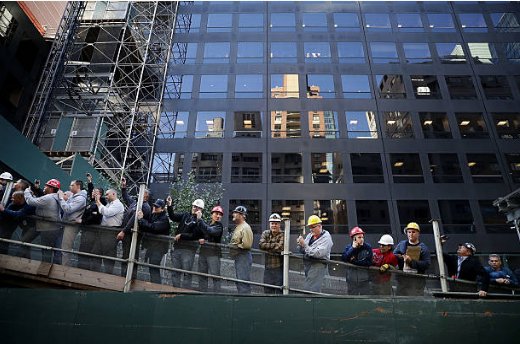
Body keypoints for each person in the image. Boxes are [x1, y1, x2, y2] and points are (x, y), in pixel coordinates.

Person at [116, 178, 152, 278]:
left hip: (133, 235)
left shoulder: (145, 206)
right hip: (128, 235)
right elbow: (126, 197)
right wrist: (124, 187)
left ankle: (130, 277)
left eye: (141, 193)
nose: (138, 194)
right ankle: (123, 276)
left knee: (130, 257)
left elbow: (134, 219)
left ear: (146, 196)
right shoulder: (135, 203)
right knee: (125, 255)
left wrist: (123, 231)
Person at [167, 196, 205, 289]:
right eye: (194, 206)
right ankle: (175, 290)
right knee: (175, 272)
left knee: (186, 273)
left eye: (197, 208)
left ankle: (184, 292)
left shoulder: (200, 222)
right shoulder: (185, 215)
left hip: (189, 250)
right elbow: (173, 216)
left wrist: (181, 235)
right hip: (178, 248)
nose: (195, 209)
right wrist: (169, 206)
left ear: (201, 210)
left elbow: (195, 235)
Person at [23, 178, 63, 263]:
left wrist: (27, 191)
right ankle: (25, 261)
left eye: (46, 186)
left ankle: (45, 268)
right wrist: (35, 191)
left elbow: (30, 201)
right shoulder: (54, 196)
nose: (44, 187)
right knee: (25, 241)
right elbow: (40, 200)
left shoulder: (49, 197)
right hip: (45, 226)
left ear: (51, 188)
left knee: (46, 250)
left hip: (48, 228)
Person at [297, 215, 333, 293]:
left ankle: (313, 304)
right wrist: (300, 245)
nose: (311, 229)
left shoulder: (326, 238)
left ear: (320, 226)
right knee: (311, 289)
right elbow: (303, 250)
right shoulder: (310, 235)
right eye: (310, 227)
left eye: (313, 227)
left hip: (319, 265)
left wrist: (305, 245)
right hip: (309, 265)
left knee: (310, 289)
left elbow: (318, 254)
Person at [137, 199, 170, 284]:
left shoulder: (164, 219)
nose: (154, 208)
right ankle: (154, 284)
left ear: (162, 209)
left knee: (154, 267)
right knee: (152, 267)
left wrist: (141, 220)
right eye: (154, 206)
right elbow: (148, 226)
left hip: (159, 247)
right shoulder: (154, 215)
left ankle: (156, 285)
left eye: (157, 207)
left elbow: (153, 227)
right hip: (153, 246)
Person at [393, 222, 431, 296]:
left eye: (413, 232)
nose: (411, 234)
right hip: (403, 280)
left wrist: (411, 261)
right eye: (409, 232)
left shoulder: (423, 248)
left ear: (418, 233)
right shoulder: (402, 244)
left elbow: (427, 264)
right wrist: (400, 257)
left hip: (416, 281)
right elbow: (394, 255)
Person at [77, 180, 106, 271]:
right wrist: (89, 182)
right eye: (93, 191)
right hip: (87, 231)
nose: (93, 192)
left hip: (91, 232)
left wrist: (82, 221)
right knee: (82, 251)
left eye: (95, 192)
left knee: (85, 251)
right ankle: (81, 269)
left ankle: (83, 271)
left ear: (100, 194)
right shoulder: (93, 201)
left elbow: (95, 218)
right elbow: (91, 192)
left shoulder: (99, 203)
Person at [94, 188, 124, 273]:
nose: (106, 196)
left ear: (114, 194)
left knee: (108, 256)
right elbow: (102, 211)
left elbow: (107, 212)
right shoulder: (109, 204)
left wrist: (98, 201)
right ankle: (95, 273)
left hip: (111, 232)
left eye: (107, 194)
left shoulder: (118, 204)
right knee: (96, 253)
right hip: (104, 231)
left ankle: (108, 275)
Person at [58, 180, 87, 266]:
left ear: (78, 186)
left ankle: (64, 269)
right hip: (66, 223)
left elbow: (68, 209)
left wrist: (60, 198)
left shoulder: (80, 198)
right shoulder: (74, 196)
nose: (69, 187)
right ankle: (62, 266)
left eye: (72, 185)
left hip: (71, 225)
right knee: (63, 247)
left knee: (66, 248)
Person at [197, 205, 224, 292]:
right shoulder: (208, 224)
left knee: (215, 276)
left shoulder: (219, 226)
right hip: (204, 252)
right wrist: (202, 239)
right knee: (202, 274)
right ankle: (202, 292)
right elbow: (202, 232)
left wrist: (200, 220)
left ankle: (217, 295)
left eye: (220, 214)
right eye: (216, 213)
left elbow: (210, 231)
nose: (218, 216)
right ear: (212, 214)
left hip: (213, 254)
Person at [229, 205, 254, 294]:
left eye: (236, 213)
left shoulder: (245, 227)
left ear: (242, 215)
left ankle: (245, 301)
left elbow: (247, 245)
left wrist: (234, 246)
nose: (233, 214)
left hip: (243, 256)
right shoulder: (239, 226)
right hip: (239, 256)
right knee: (240, 280)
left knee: (243, 281)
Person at [341, 226, 373, 295]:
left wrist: (354, 262)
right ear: (354, 238)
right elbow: (344, 259)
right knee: (352, 299)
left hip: (364, 280)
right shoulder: (349, 247)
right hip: (351, 280)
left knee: (364, 300)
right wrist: (353, 248)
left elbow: (368, 262)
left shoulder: (367, 247)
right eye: (359, 237)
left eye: (362, 237)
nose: (362, 239)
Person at [259, 213, 284, 294]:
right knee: (267, 291)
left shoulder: (283, 234)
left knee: (279, 292)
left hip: (278, 268)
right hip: (268, 268)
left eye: (276, 223)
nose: (274, 225)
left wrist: (268, 246)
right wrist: (275, 245)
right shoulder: (265, 233)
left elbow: (280, 247)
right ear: (269, 224)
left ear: (279, 224)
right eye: (272, 223)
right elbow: (261, 245)